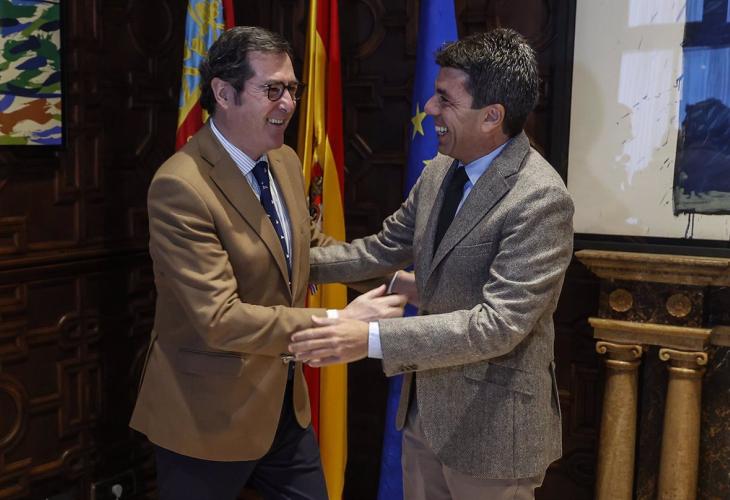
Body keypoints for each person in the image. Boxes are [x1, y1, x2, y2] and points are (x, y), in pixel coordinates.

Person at [289, 28, 574, 499]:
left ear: (492, 116)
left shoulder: (540, 199)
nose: (429, 108)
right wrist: (285, 263)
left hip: (492, 434)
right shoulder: (441, 170)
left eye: (445, 99)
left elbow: (498, 326)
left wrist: (369, 338)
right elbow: (380, 250)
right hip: (425, 418)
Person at [129, 26, 405, 500]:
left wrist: (395, 278)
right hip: (205, 416)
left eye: (293, 89)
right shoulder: (181, 186)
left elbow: (308, 251)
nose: (289, 103)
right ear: (224, 94)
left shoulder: (284, 162)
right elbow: (219, 318)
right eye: (272, 90)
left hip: (283, 407)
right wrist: (339, 322)